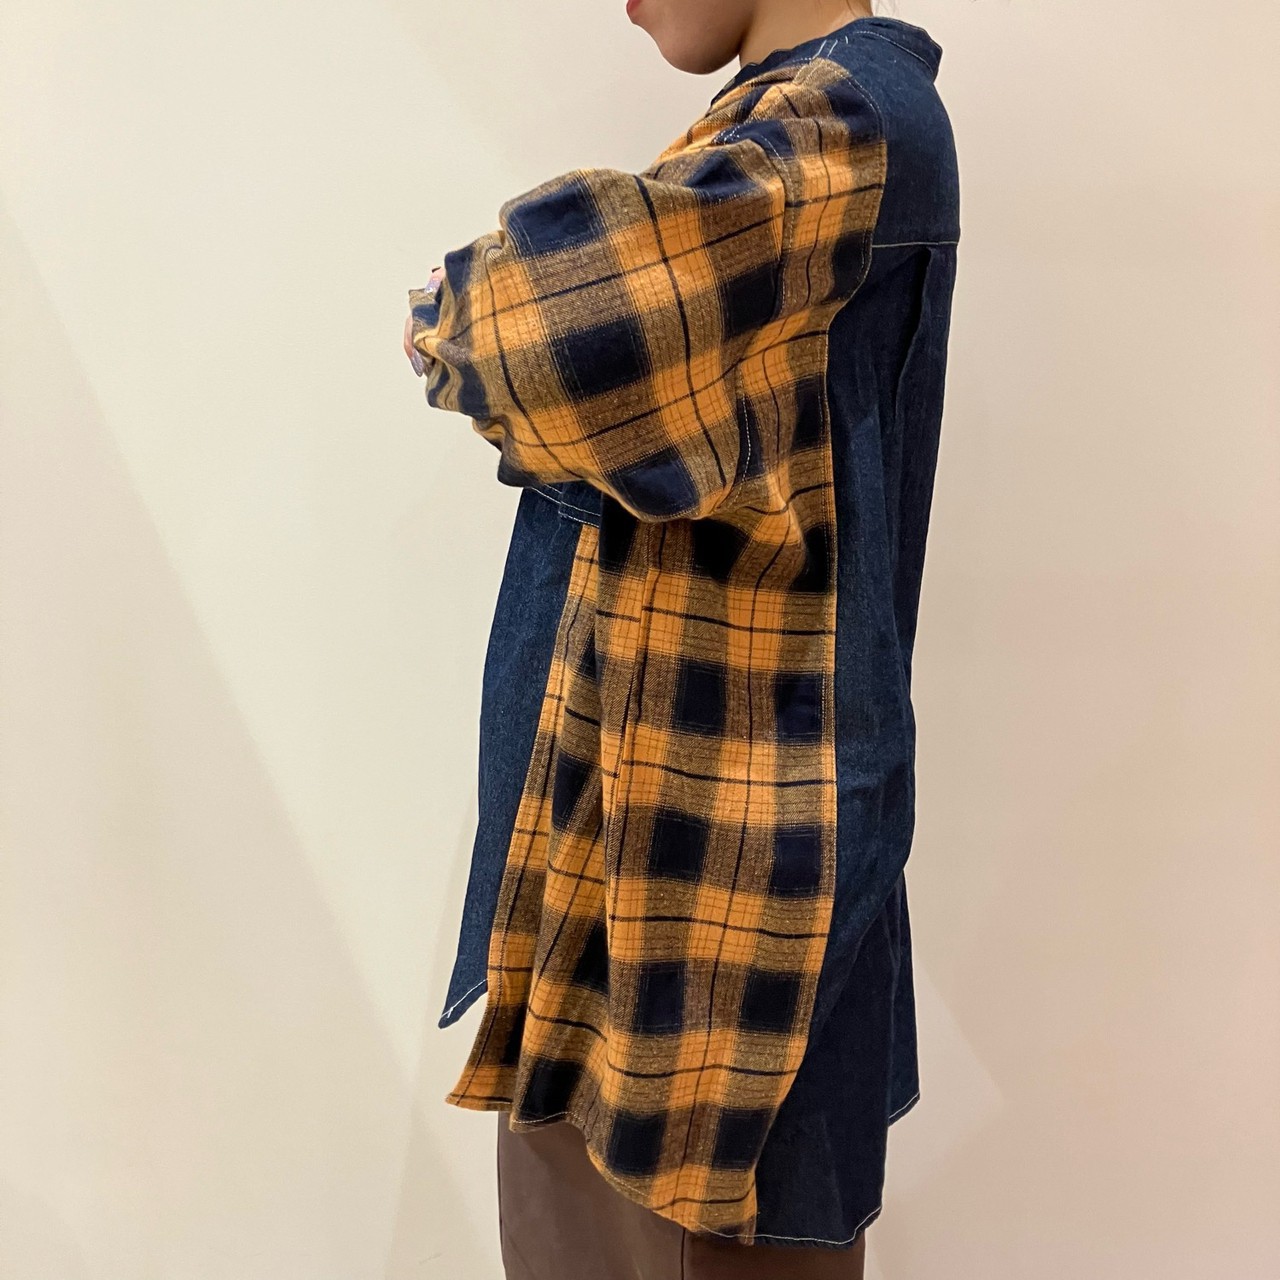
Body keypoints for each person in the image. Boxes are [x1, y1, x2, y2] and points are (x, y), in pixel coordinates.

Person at [403, 0, 960, 1274]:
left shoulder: (837, 125)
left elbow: (520, 325)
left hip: (717, 918)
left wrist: (442, 303)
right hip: (649, 878)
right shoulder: (777, 126)